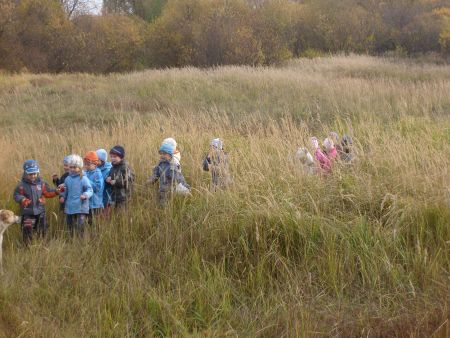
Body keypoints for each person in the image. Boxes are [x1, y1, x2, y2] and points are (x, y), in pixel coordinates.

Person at [13, 160, 58, 244]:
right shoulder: (21, 185)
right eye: (30, 174)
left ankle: (43, 243)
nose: (33, 176)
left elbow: (47, 192)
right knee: (27, 230)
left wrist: (56, 192)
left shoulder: (42, 184)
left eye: (35, 173)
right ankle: (28, 246)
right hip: (28, 212)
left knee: (43, 228)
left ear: (38, 172)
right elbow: (16, 195)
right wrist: (22, 199)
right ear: (25, 173)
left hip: (40, 211)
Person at [60, 155, 93, 237]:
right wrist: (62, 196)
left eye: (75, 167)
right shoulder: (67, 179)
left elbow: (90, 190)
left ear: (80, 167)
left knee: (80, 224)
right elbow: (65, 189)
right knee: (69, 223)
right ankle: (71, 238)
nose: (72, 169)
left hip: (81, 206)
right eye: (71, 167)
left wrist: (85, 195)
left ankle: (81, 239)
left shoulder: (83, 178)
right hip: (70, 206)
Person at [83, 151, 104, 226]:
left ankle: (95, 236)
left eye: (88, 164)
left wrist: (86, 180)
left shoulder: (98, 173)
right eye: (85, 164)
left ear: (95, 164)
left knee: (94, 223)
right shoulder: (85, 172)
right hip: (86, 203)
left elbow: (97, 188)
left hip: (95, 204)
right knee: (87, 222)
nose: (86, 166)